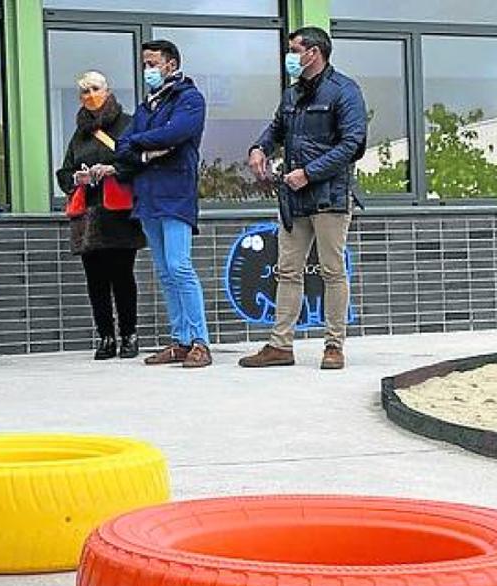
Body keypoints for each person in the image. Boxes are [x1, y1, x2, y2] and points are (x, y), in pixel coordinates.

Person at [240, 26, 367, 371]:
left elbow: (352, 144)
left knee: (332, 270)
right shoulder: (291, 95)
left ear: (314, 52)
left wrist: (310, 173)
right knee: (287, 270)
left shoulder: (345, 90)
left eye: (295, 50)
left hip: (330, 194)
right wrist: (258, 148)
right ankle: (280, 346)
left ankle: (334, 346)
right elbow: (276, 129)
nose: (290, 57)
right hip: (294, 198)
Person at [116, 39, 212, 369]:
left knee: (180, 266)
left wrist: (141, 143)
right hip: (148, 197)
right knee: (164, 272)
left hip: (176, 195)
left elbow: (176, 134)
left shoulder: (189, 99)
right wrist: (145, 151)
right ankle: (181, 341)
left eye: (152, 63)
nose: (148, 70)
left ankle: (200, 342)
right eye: (145, 64)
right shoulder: (147, 106)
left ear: (170, 64)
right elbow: (121, 145)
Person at [55, 71, 145, 360]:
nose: (90, 95)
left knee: (122, 276)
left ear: (107, 91)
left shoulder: (127, 123)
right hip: (88, 215)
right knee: (95, 280)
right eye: (84, 91)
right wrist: (77, 178)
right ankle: (105, 336)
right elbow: (64, 172)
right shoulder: (79, 133)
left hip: (119, 212)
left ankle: (129, 335)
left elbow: (136, 162)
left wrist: (112, 170)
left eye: (95, 89)